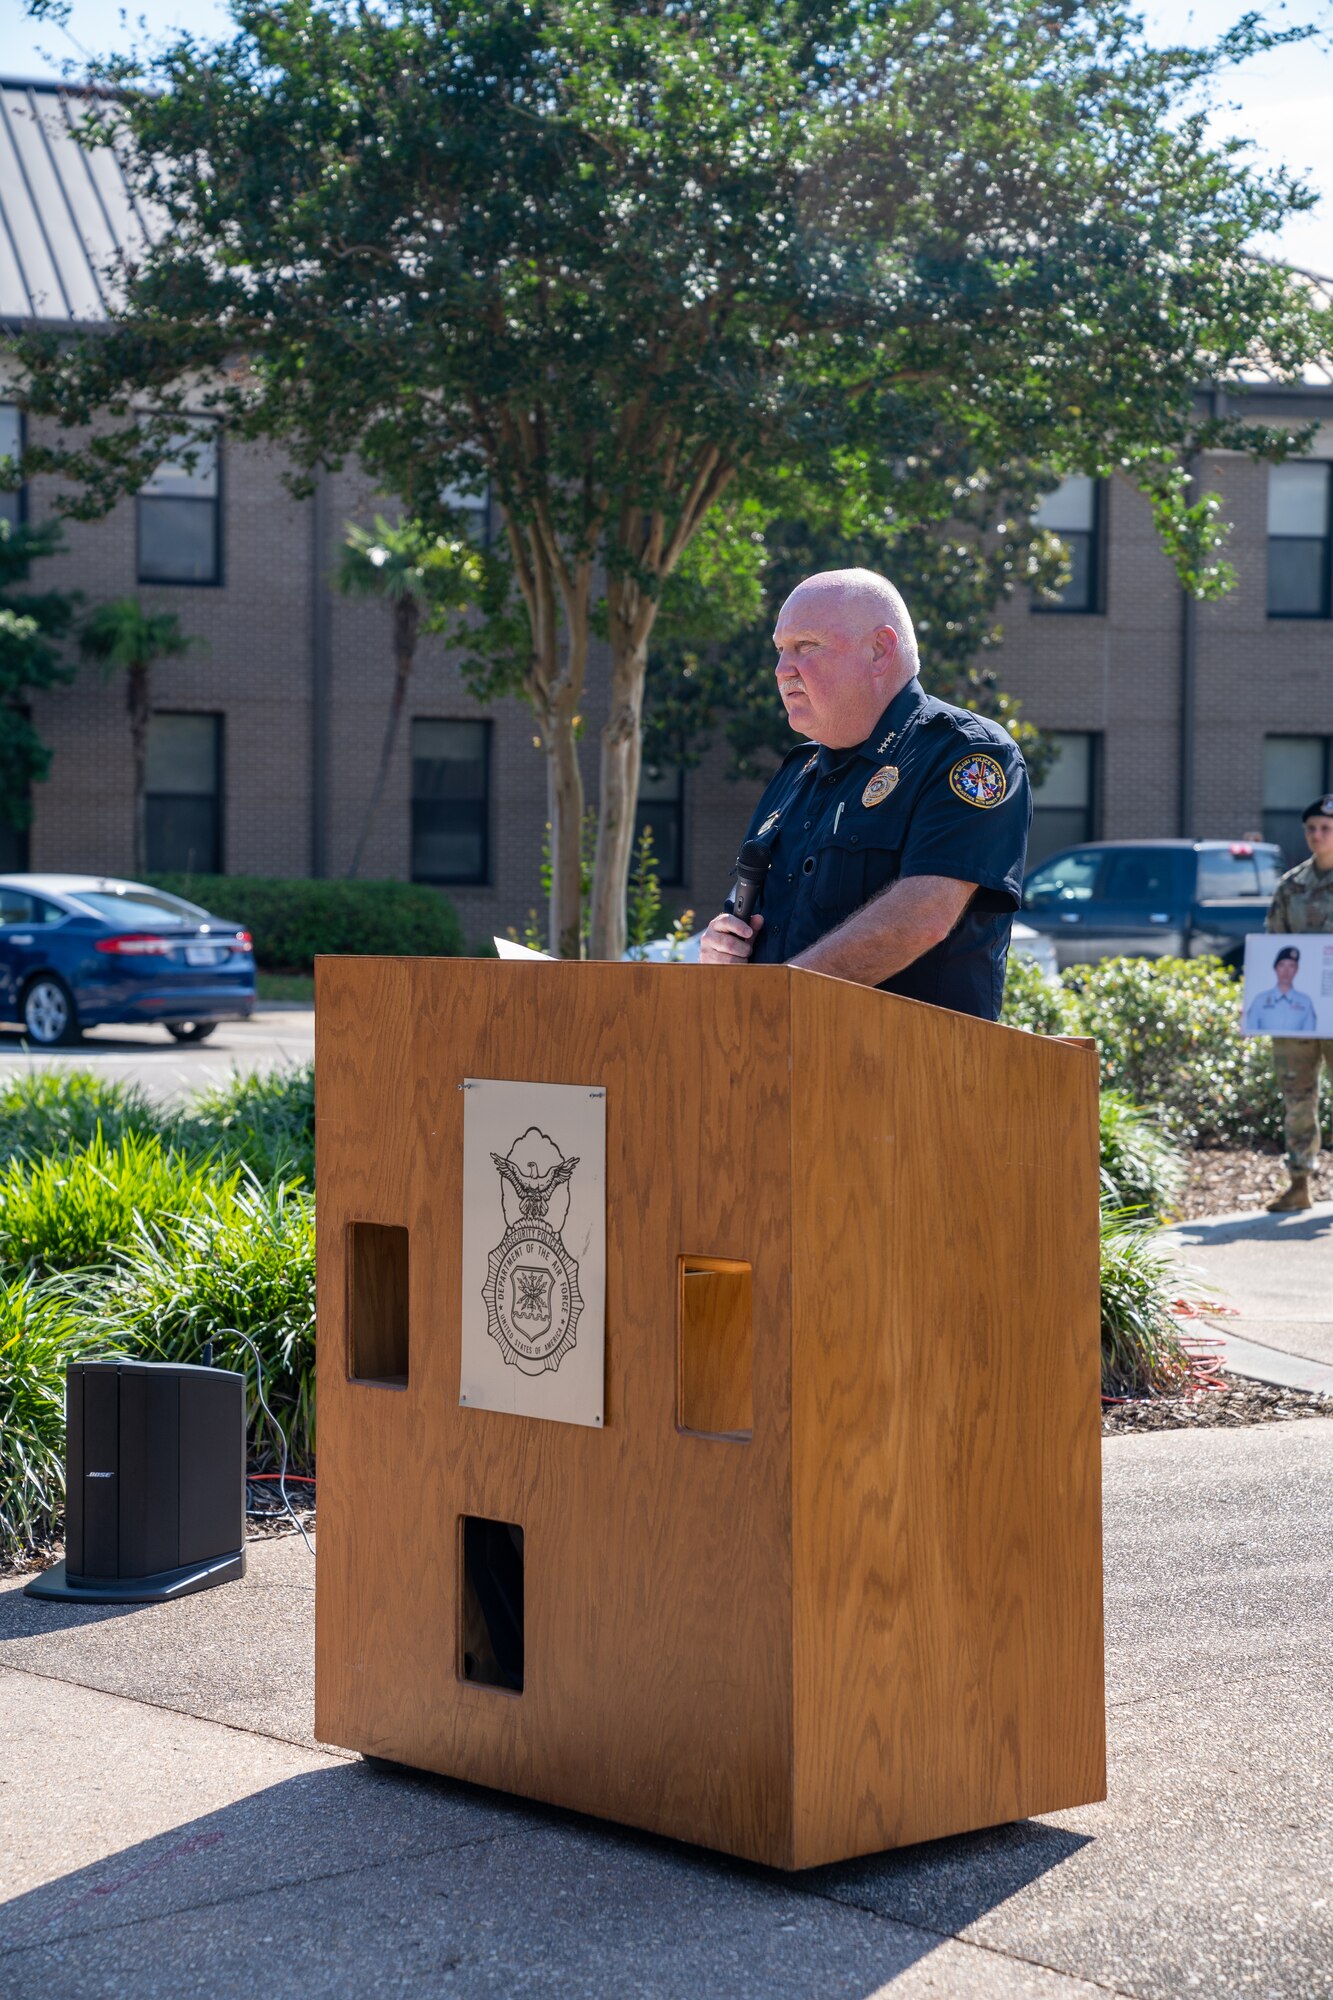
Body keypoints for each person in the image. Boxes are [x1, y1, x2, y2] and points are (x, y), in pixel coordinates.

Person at [700, 568, 1031, 1020]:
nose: (782, 670)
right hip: (779, 1064)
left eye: (806, 646)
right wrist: (723, 947)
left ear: (879, 650)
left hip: (910, 1074)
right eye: (780, 650)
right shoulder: (798, 772)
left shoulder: (966, 753)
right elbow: (749, 921)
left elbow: (923, 916)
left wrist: (779, 1000)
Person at [1264, 792, 1333, 1212]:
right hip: (1297, 1012)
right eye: (1311, 829)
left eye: (1326, 829)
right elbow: (1272, 947)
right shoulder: (1291, 886)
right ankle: (1299, 1183)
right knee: (1297, 1096)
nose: (1317, 835)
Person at [1244, 945, 1318, 1035]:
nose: (1286, 971)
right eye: (1282, 965)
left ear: (1296, 969)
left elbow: (1309, 1036)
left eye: (1291, 965)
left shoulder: (1305, 1002)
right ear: (1275, 968)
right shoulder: (1260, 1000)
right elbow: (1250, 1033)